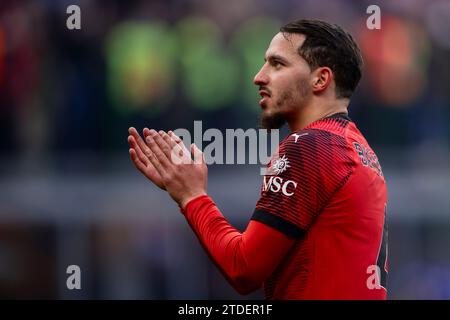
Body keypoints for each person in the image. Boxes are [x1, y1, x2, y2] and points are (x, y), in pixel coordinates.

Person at [127, 19, 388, 300]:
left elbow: (243, 268)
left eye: (277, 64)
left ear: (320, 79)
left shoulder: (311, 147)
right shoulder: (357, 147)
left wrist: (191, 195)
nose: (259, 76)